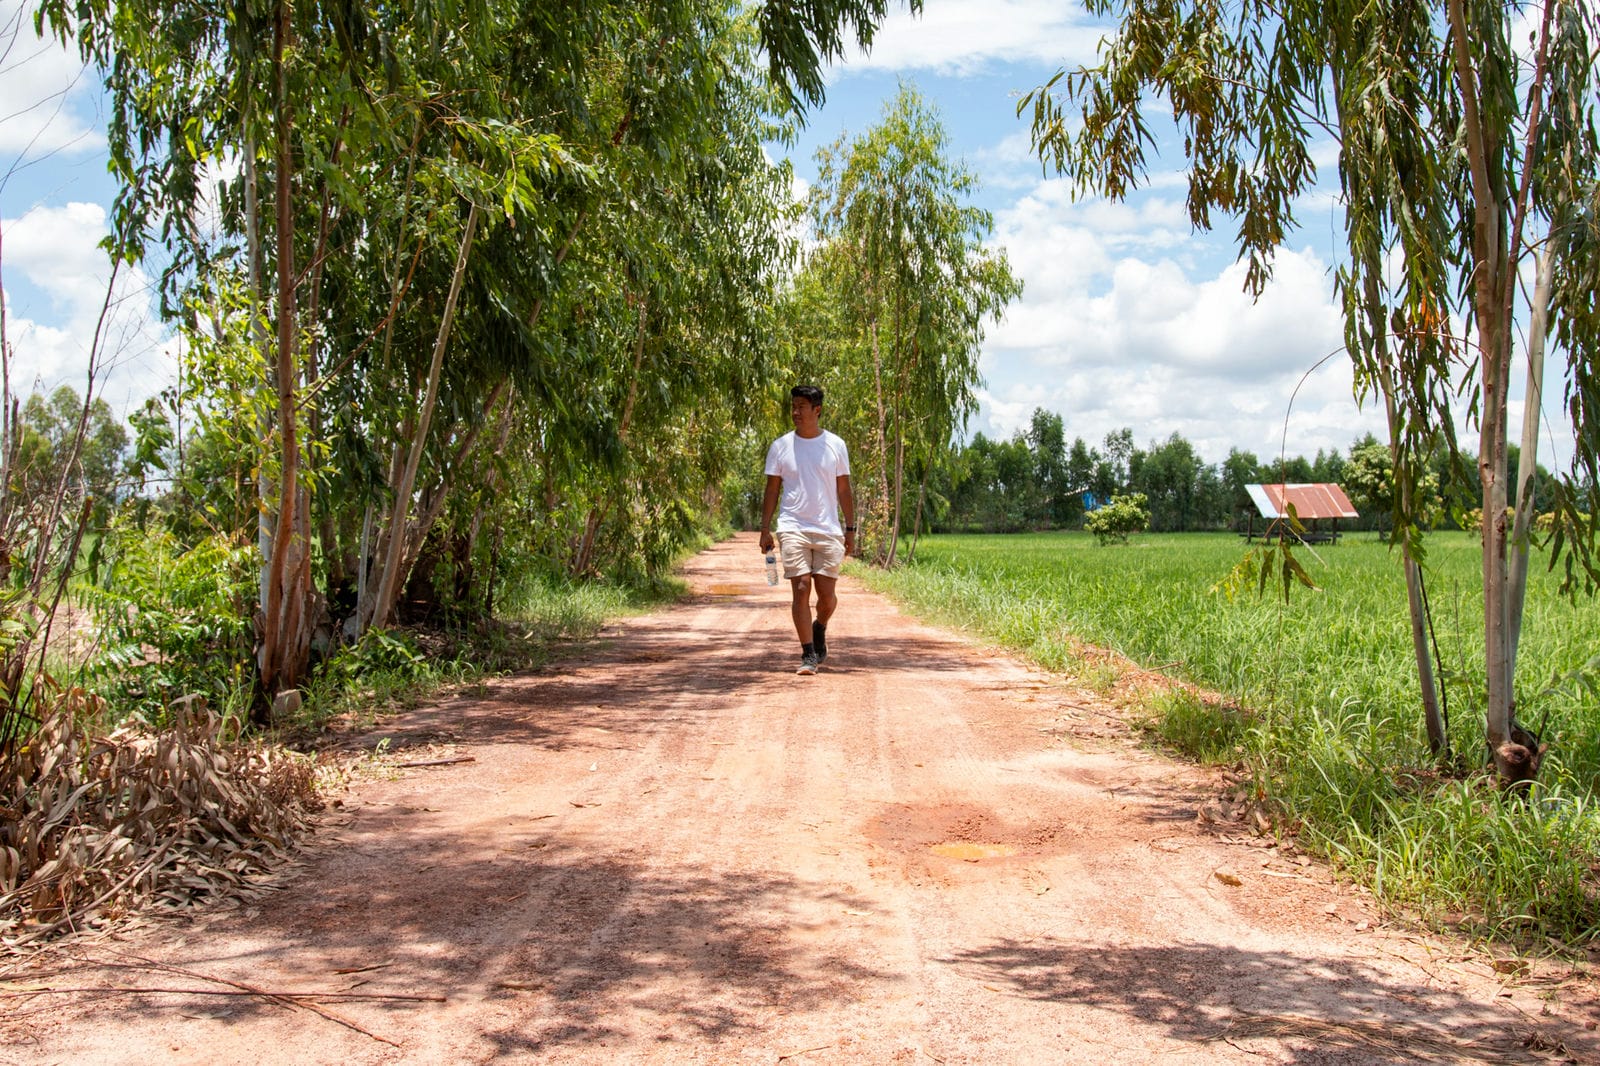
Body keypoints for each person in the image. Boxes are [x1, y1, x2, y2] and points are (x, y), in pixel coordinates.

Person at [758, 385, 855, 675]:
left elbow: (844, 488)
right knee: (801, 588)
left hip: (828, 529)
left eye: (802, 406)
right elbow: (772, 489)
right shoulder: (780, 446)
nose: (796, 412)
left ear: (817, 410)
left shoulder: (836, 445)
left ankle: (820, 626)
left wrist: (850, 528)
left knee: (827, 597)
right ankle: (808, 654)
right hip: (792, 527)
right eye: (794, 407)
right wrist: (765, 528)